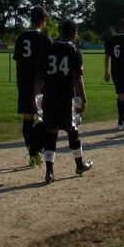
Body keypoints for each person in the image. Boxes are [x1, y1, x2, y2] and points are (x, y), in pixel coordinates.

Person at [34, 19, 93, 183]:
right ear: (75, 34)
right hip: (67, 97)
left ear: (60, 32)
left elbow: (39, 77)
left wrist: (35, 97)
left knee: (51, 132)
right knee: (72, 130)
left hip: (50, 96)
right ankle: (79, 164)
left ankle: (50, 172)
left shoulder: (49, 49)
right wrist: (83, 99)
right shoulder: (74, 51)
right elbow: (76, 78)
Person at [14, 6, 53, 167]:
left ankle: (32, 152)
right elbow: (49, 66)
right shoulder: (45, 39)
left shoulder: (21, 38)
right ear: (43, 21)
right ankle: (36, 147)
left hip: (24, 82)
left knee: (27, 118)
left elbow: (18, 63)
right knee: (48, 119)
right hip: (41, 83)